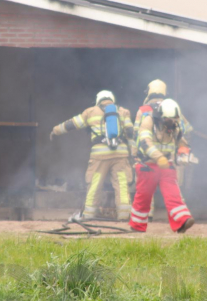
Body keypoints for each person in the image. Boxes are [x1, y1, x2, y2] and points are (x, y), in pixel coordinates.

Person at [50, 90, 134, 221]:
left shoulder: (90, 112)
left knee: (95, 184)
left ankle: (89, 216)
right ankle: (124, 216)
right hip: (120, 154)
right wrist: (133, 153)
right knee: (122, 184)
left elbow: (72, 124)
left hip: (100, 155)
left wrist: (55, 131)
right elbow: (130, 132)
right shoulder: (123, 111)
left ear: (98, 100)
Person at [129, 98, 194, 233]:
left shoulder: (174, 124)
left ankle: (183, 221)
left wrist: (183, 151)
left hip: (166, 166)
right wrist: (159, 157)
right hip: (148, 165)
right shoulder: (149, 121)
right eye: (168, 121)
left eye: (173, 121)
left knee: (173, 194)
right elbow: (144, 142)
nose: (171, 124)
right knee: (144, 197)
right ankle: (137, 226)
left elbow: (180, 141)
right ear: (161, 117)